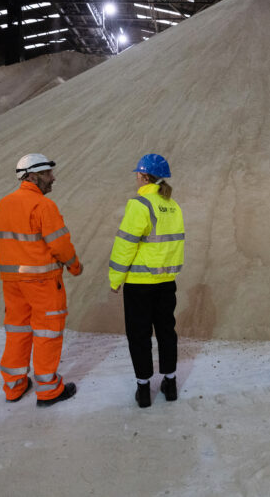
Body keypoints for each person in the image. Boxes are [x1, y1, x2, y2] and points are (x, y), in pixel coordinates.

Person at [0, 153, 83, 406]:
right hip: (42, 282)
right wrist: (75, 266)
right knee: (47, 332)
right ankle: (49, 390)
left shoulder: (4, 203)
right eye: (47, 174)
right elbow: (60, 244)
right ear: (32, 176)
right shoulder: (43, 206)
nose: (52, 178)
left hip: (12, 282)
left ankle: (14, 386)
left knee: (17, 330)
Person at [108, 153, 186, 408]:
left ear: (143, 176)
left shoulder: (140, 204)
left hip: (139, 283)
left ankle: (144, 391)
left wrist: (115, 278)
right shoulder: (173, 206)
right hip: (166, 282)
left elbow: (125, 244)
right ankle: (170, 384)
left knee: (139, 335)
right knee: (166, 331)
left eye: (137, 174)